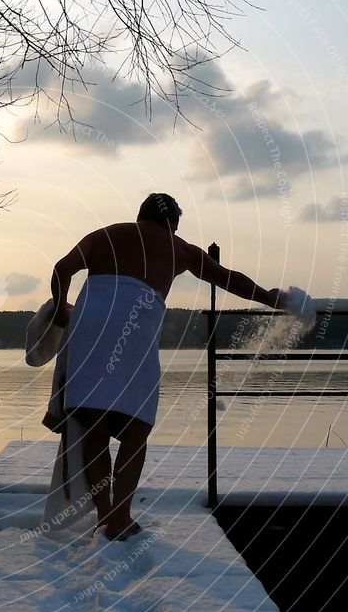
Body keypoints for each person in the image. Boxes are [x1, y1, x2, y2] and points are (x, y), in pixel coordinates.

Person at [50, 193, 287, 540]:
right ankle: (121, 516)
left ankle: (105, 514)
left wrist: (60, 312)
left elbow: (61, 269)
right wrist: (271, 297)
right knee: (136, 428)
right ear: (172, 222)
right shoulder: (178, 247)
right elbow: (228, 279)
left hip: (89, 328)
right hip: (134, 332)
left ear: (140, 215)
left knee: (96, 425)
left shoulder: (103, 235)